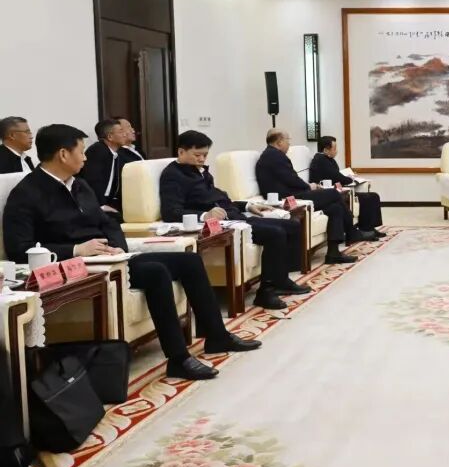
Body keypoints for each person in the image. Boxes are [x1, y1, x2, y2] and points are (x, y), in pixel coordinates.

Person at [2, 124, 259, 381]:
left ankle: (217, 336)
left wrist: (118, 246)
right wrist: (76, 249)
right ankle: (178, 359)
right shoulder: (27, 193)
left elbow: (108, 223)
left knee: (189, 261)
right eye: (81, 151)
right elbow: (19, 248)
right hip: (77, 267)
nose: (85, 158)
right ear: (63, 154)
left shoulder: (79, 185)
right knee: (156, 272)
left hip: (112, 258)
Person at [160, 130, 312, 310]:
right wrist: (205, 215)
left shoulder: (201, 172)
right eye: (197, 155)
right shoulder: (173, 175)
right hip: (222, 225)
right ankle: (266, 291)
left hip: (234, 216)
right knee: (275, 233)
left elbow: (220, 199)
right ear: (181, 152)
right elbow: (171, 212)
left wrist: (247, 206)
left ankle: (281, 279)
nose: (202, 159)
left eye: (205, 155)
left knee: (292, 226)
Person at [256, 129, 370, 264]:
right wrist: (309, 186)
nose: (289, 144)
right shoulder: (275, 156)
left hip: (292, 194)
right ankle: (352, 232)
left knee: (335, 208)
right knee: (334, 193)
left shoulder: (271, 155)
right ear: (279, 142)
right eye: (288, 140)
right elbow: (291, 179)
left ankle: (333, 253)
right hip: (290, 198)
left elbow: (289, 179)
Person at [309, 135, 386, 238]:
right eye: (334, 148)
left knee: (374, 196)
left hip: (338, 191)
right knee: (367, 198)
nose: (336, 151)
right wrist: (351, 179)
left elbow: (337, 175)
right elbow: (337, 177)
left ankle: (370, 228)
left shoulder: (328, 159)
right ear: (326, 150)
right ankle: (365, 229)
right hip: (330, 195)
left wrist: (348, 178)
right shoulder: (321, 160)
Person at [79, 118, 126, 220]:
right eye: (121, 131)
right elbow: (93, 181)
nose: (125, 134)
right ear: (110, 137)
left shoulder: (116, 153)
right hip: (95, 204)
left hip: (109, 201)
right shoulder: (97, 151)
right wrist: (101, 205)